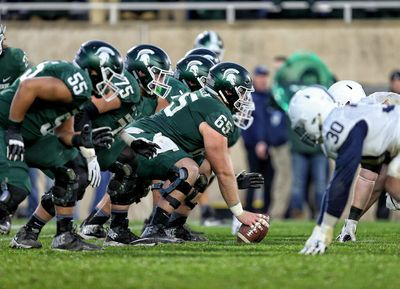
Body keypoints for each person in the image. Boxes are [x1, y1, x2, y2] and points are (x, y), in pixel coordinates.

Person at [11, 42, 160, 249]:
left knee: (131, 164)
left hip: (104, 141)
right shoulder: (128, 87)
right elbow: (84, 111)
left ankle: (117, 230)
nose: (162, 81)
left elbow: (117, 123)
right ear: (142, 73)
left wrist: (132, 141)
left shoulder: (148, 99)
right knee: (75, 179)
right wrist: (87, 149)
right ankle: (31, 230)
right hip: (84, 138)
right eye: (158, 74)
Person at [119, 62, 268, 243]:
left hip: (147, 138)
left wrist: (234, 179)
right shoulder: (217, 111)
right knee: (189, 169)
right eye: (242, 92)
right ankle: (154, 228)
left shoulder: (208, 101)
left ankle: (175, 227)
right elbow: (223, 170)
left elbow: (215, 165)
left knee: (204, 168)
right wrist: (240, 212)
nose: (245, 98)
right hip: (141, 141)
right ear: (228, 91)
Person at [288, 86, 400, 255]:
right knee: (391, 183)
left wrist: (325, 230)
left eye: (302, 125)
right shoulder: (349, 118)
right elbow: (360, 179)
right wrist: (322, 227)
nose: (304, 131)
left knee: (393, 185)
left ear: (314, 115)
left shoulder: (339, 125)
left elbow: (343, 180)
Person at [241, 65, 276, 213]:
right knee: (253, 178)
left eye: (265, 77)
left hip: (268, 146)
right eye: (260, 77)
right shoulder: (250, 97)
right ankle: (248, 209)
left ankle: (265, 211)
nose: (263, 80)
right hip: (254, 146)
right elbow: (248, 125)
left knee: (269, 179)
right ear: (254, 78)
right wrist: (258, 142)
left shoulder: (269, 97)